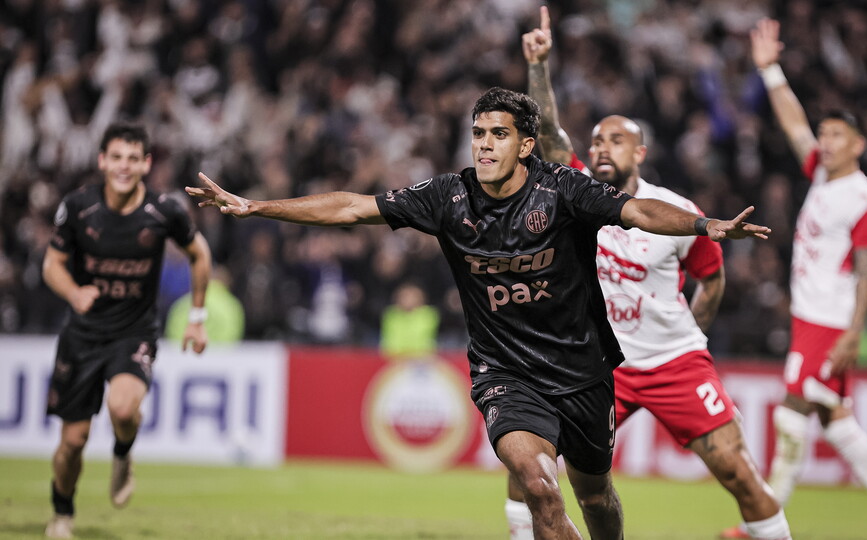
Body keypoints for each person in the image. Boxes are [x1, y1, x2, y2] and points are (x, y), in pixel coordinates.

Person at [188, 86, 771, 539]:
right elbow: (351, 208)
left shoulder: (563, 191)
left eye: (498, 133)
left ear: (525, 144)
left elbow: (640, 213)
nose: (485, 144)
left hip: (583, 370)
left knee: (595, 498)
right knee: (541, 486)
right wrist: (255, 206)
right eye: (477, 134)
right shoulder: (448, 196)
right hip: (507, 374)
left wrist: (704, 225)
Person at [502, 9, 791, 540]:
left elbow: (713, 277)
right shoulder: (579, 191)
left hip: (671, 362)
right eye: (595, 141)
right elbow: (544, 130)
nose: (600, 149)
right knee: (530, 459)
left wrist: (693, 337)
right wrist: (539, 66)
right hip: (599, 366)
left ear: (639, 153)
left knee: (738, 472)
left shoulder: (674, 210)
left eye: (614, 141)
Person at [720, 19, 867, 540]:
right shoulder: (820, 173)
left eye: (837, 135)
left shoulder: (864, 198)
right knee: (835, 419)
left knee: (792, 413)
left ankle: (763, 520)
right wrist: (770, 72)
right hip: (812, 314)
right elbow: (793, 125)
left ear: (858, 144)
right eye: (826, 133)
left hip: (830, 320)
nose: (826, 141)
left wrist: (855, 329)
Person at [42, 123, 212, 539]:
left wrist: (197, 316)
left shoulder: (164, 211)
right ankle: (62, 513)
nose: (124, 166)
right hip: (82, 334)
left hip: (133, 332)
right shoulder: (78, 207)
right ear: (102, 160)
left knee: (122, 410)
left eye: (133, 158)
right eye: (116, 157)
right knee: (73, 442)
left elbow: (200, 253)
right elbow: (51, 265)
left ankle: (122, 453)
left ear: (146, 164)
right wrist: (73, 292)